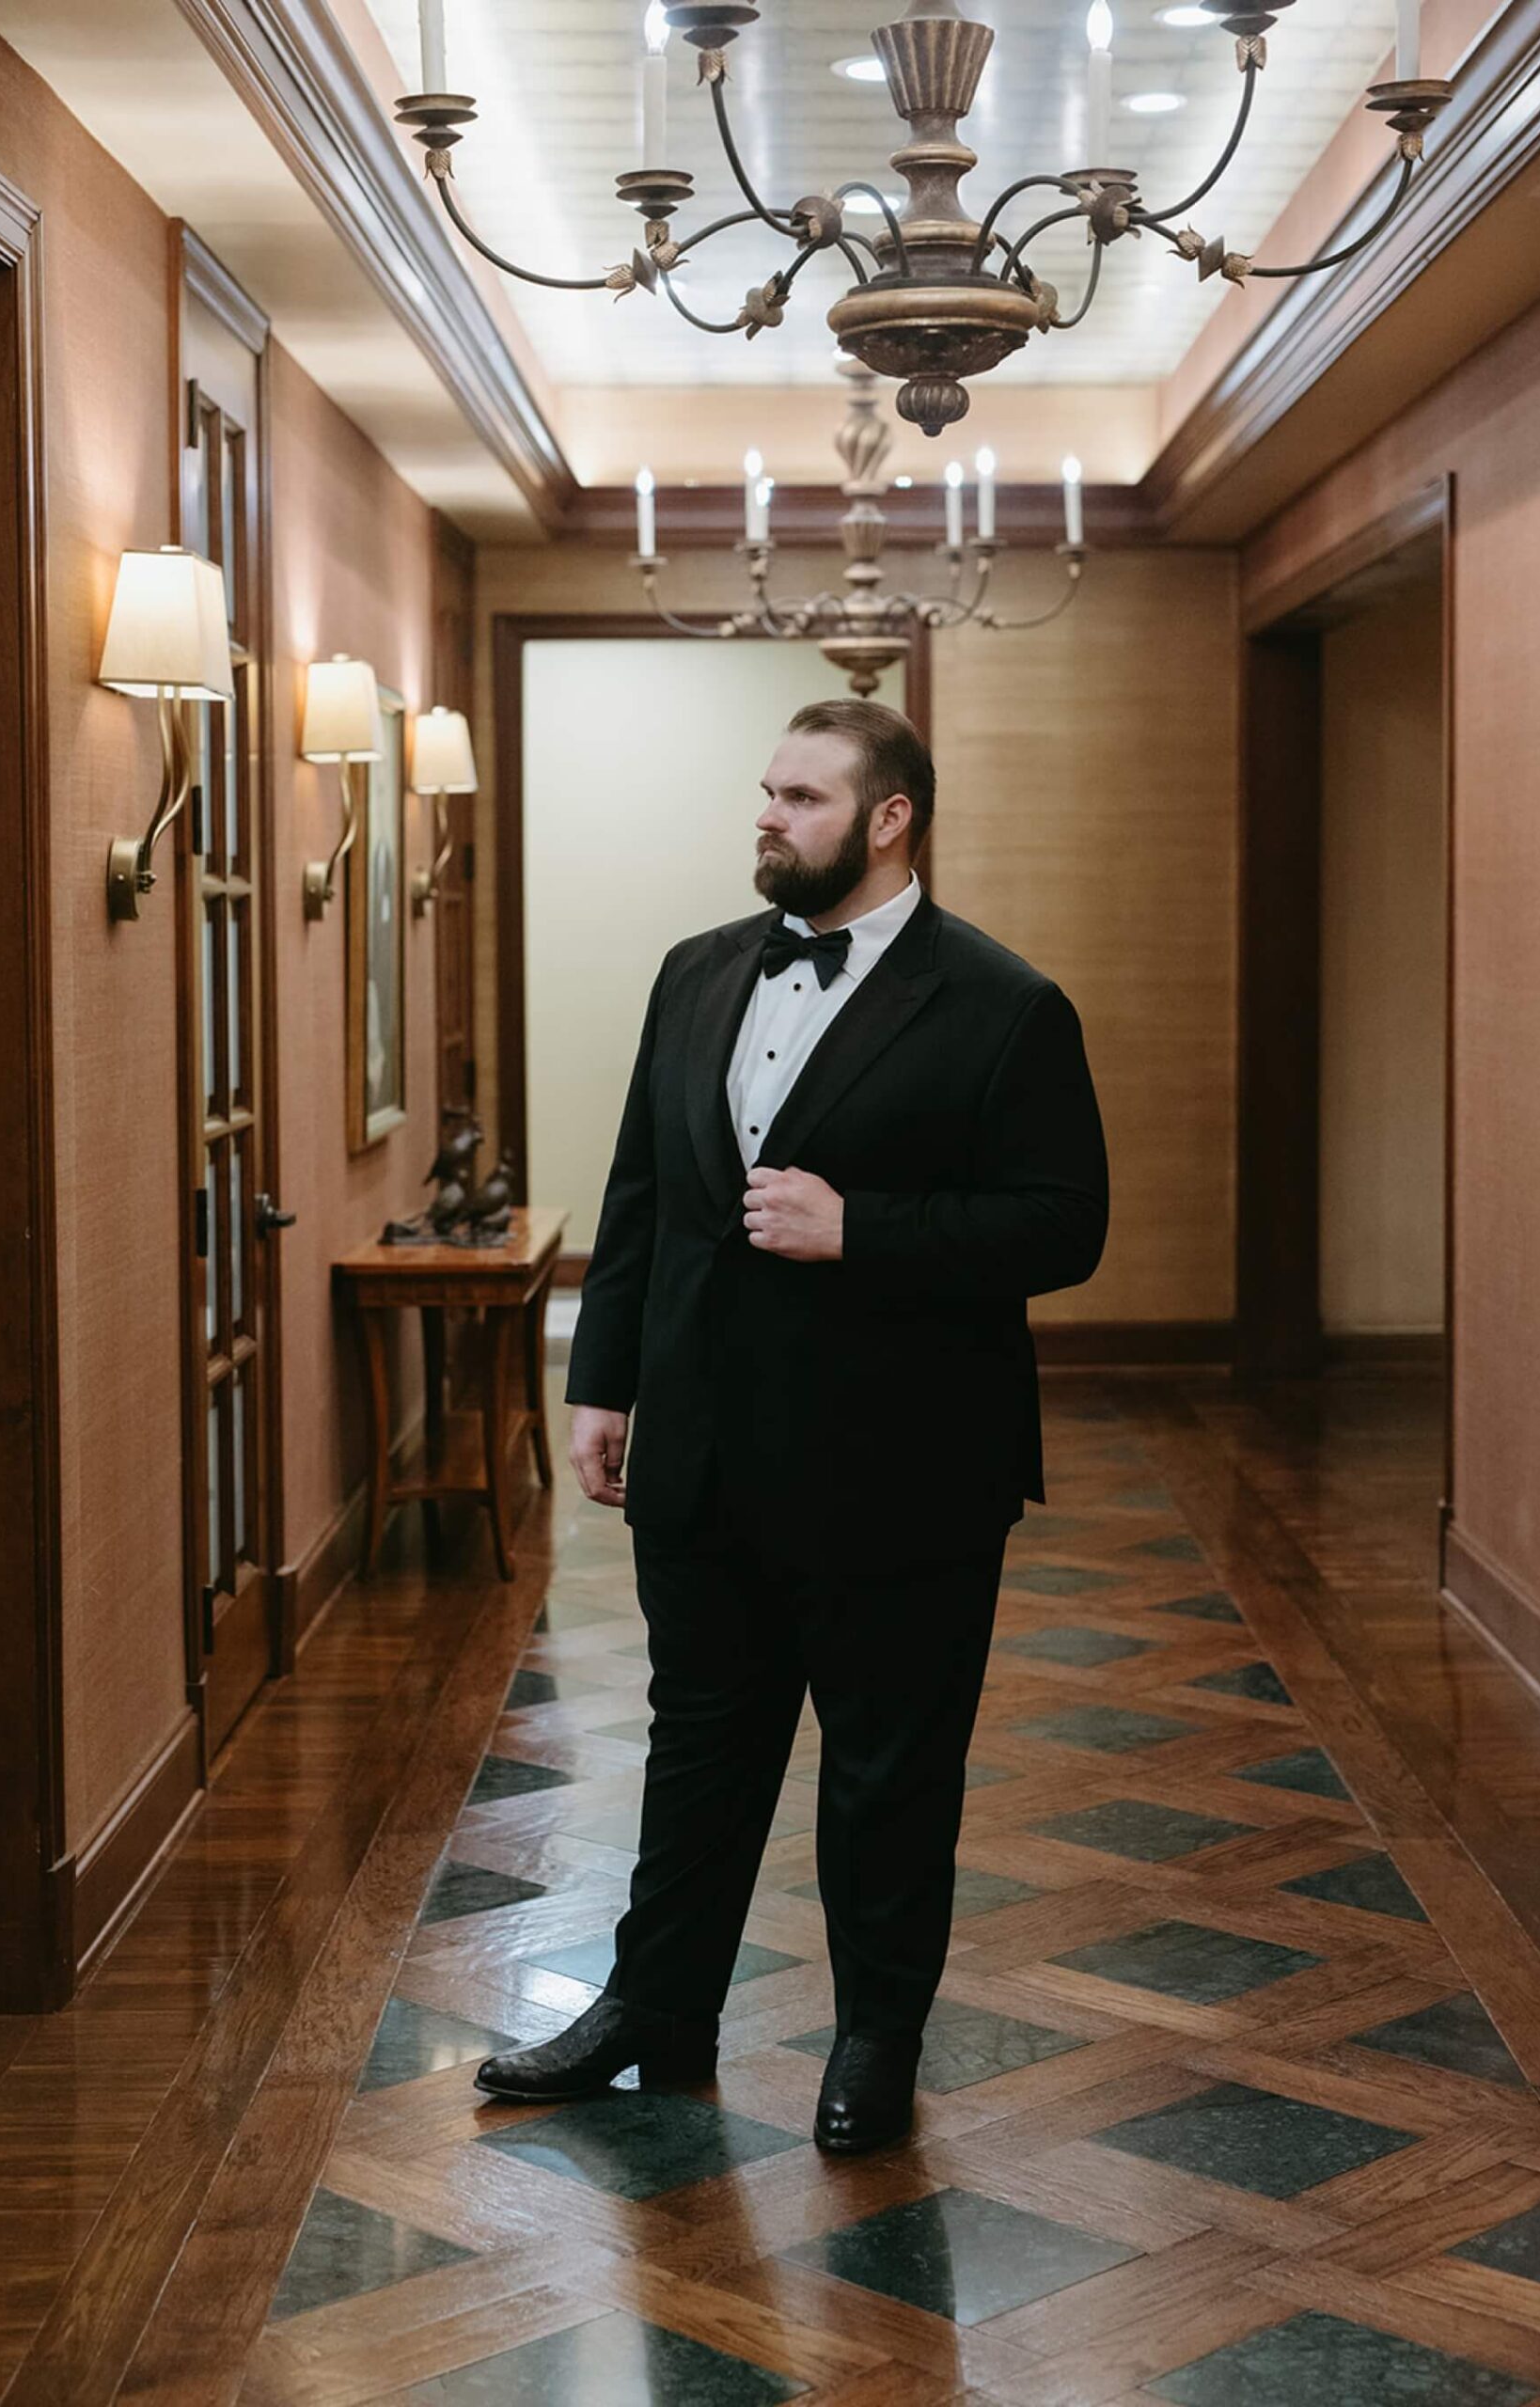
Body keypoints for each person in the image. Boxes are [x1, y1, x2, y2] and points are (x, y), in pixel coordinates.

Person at [475, 698, 1108, 2152]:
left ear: (891, 820)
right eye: (766, 790)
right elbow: (643, 1190)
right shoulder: (699, 973)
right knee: (699, 1748)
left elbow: (1065, 1225)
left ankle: (877, 2039)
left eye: (803, 797)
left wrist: (860, 1229)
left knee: (890, 1772)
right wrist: (603, 1384)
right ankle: (655, 2007)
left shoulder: (1005, 1004)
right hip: (702, 1453)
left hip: (906, 1473)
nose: (767, 815)